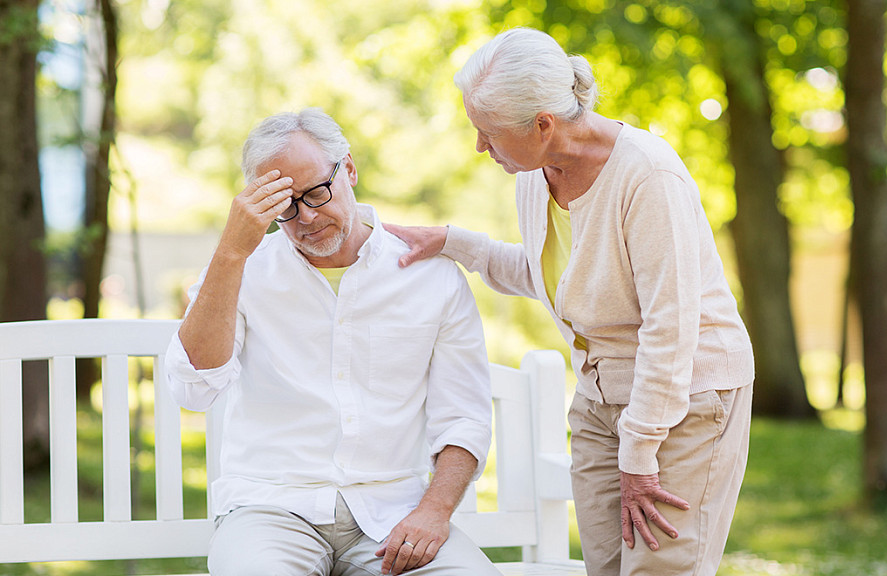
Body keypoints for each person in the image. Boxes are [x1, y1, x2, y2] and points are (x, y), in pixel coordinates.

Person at [385, 28, 755, 576]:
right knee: (604, 568)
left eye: (489, 133)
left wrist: (640, 450)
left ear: (543, 124)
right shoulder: (537, 175)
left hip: (685, 397)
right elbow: (557, 277)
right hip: (601, 396)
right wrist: (453, 242)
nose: (480, 147)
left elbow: (670, 327)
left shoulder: (647, 176)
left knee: (660, 569)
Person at [164, 107, 500, 576]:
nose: (306, 216)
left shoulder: (432, 278)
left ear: (350, 168)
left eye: (317, 192)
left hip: (392, 517)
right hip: (270, 511)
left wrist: (434, 512)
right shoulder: (242, 268)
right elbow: (192, 388)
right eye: (284, 205)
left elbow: (464, 419)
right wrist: (231, 252)